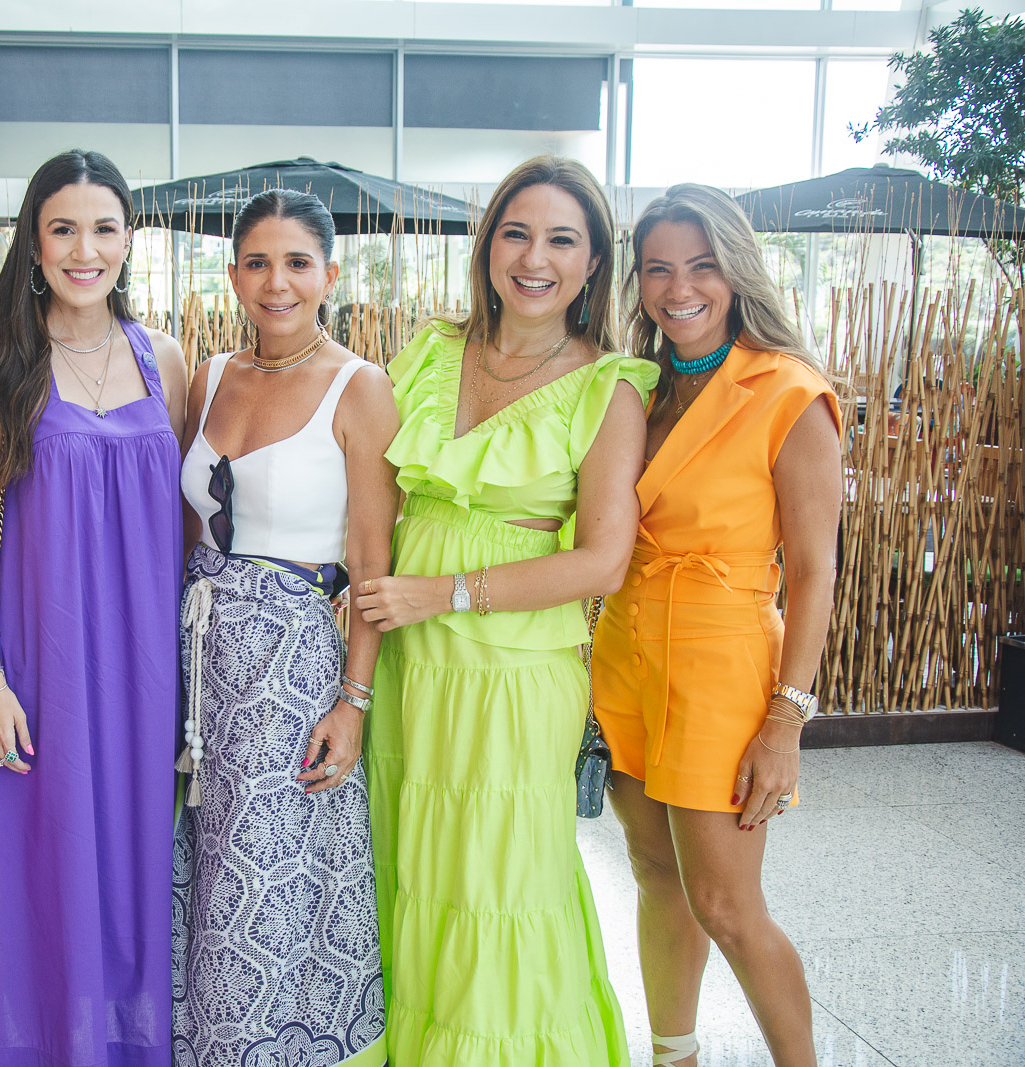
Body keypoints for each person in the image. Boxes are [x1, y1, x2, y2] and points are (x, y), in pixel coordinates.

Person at [357, 155, 656, 1067]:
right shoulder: (428, 352)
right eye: (516, 233)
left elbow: (602, 559)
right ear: (488, 246)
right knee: (411, 864)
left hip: (512, 674)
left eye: (562, 240)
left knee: (497, 882)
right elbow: (369, 496)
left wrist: (443, 592)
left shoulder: (608, 386)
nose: (534, 258)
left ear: (593, 263)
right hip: (405, 660)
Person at [0, 149, 187, 1067]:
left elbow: (185, 524)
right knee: (37, 880)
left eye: (104, 228)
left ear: (128, 239)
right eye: (63, 229)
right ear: (35, 243)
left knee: (131, 878)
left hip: (143, 675)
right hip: (39, 668)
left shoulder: (165, 358)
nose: (85, 250)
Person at [591, 184, 842, 1067]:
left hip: (721, 668)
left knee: (728, 905)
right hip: (626, 654)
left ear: (737, 272)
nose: (679, 288)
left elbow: (814, 571)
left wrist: (786, 720)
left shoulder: (788, 391)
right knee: (655, 875)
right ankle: (676, 1057)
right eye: (658, 268)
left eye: (701, 266)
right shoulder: (637, 387)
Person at [171, 189, 397, 1067]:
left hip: (289, 667)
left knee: (262, 880)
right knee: (199, 864)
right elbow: (186, 528)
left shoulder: (359, 387)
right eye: (258, 263)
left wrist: (353, 700)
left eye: (297, 262)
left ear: (329, 274)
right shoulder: (209, 377)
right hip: (199, 658)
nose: (277, 283)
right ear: (233, 276)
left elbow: (371, 560)